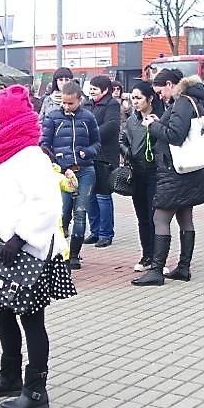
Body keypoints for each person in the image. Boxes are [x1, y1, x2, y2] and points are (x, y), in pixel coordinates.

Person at [0, 85, 74, 408]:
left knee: (31, 319)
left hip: (30, 251)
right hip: (3, 247)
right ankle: (10, 375)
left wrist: (20, 237)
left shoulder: (30, 157)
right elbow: (10, 195)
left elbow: (47, 204)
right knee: (0, 310)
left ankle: (36, 390)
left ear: (10, 124)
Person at [131, 70, 204, 285]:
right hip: (190, 170)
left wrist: (152, 125)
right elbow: (178, 128)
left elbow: (175, 136)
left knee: (160, 218)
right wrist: (160, 122)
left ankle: (156, 270)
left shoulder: (182, 102)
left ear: (169, 84)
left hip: (175, 172)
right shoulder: (194, 99)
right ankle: (183, 267)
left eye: (160, 92)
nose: (161, 97)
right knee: (185, 217)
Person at [40, 80, 100, 270]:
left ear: (79, 100)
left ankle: (74, 255)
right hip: (62, 173)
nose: (66, 107)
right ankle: (61, 250)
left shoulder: (88, 117)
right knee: (63, 213)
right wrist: (59, 166)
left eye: (70, 103)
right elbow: (44, 146)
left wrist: (87, 152)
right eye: (63, 103)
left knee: (80, 212)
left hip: (85, 170)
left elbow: (97, 143)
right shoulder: (52, 117)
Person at [120, 82, 159, 272]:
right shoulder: (131, 121)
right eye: (133, 98)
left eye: (139, 98)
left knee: (155, 217)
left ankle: (158, 257)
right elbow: (122, 140)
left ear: (149, 98)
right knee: (142, 217)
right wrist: (128, 153)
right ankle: (146, 255)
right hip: (136, 173)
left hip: (155, 173)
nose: (135, 102)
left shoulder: (159, 118)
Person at [83, 75, 121, 248]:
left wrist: (91, 134)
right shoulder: (87, 104)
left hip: (105, 156)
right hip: (89, 156)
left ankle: (106, 234)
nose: (91, 91)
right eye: (90, 88)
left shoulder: (112, 104)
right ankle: (95, 231)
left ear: (105, 90)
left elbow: (111, 126)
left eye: (95, 89)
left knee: (103, 196)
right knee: (90, 196)